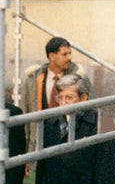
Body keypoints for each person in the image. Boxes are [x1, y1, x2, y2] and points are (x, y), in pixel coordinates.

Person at [22, 37, 85, 170]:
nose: (69, 58)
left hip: (70, 141)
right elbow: (25, 115)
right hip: (41, 141)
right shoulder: (33, 80)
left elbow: (90, 108)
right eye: (64, 54)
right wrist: (25, 153)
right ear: (52, 56)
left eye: (70, 54)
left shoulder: (79, 79)